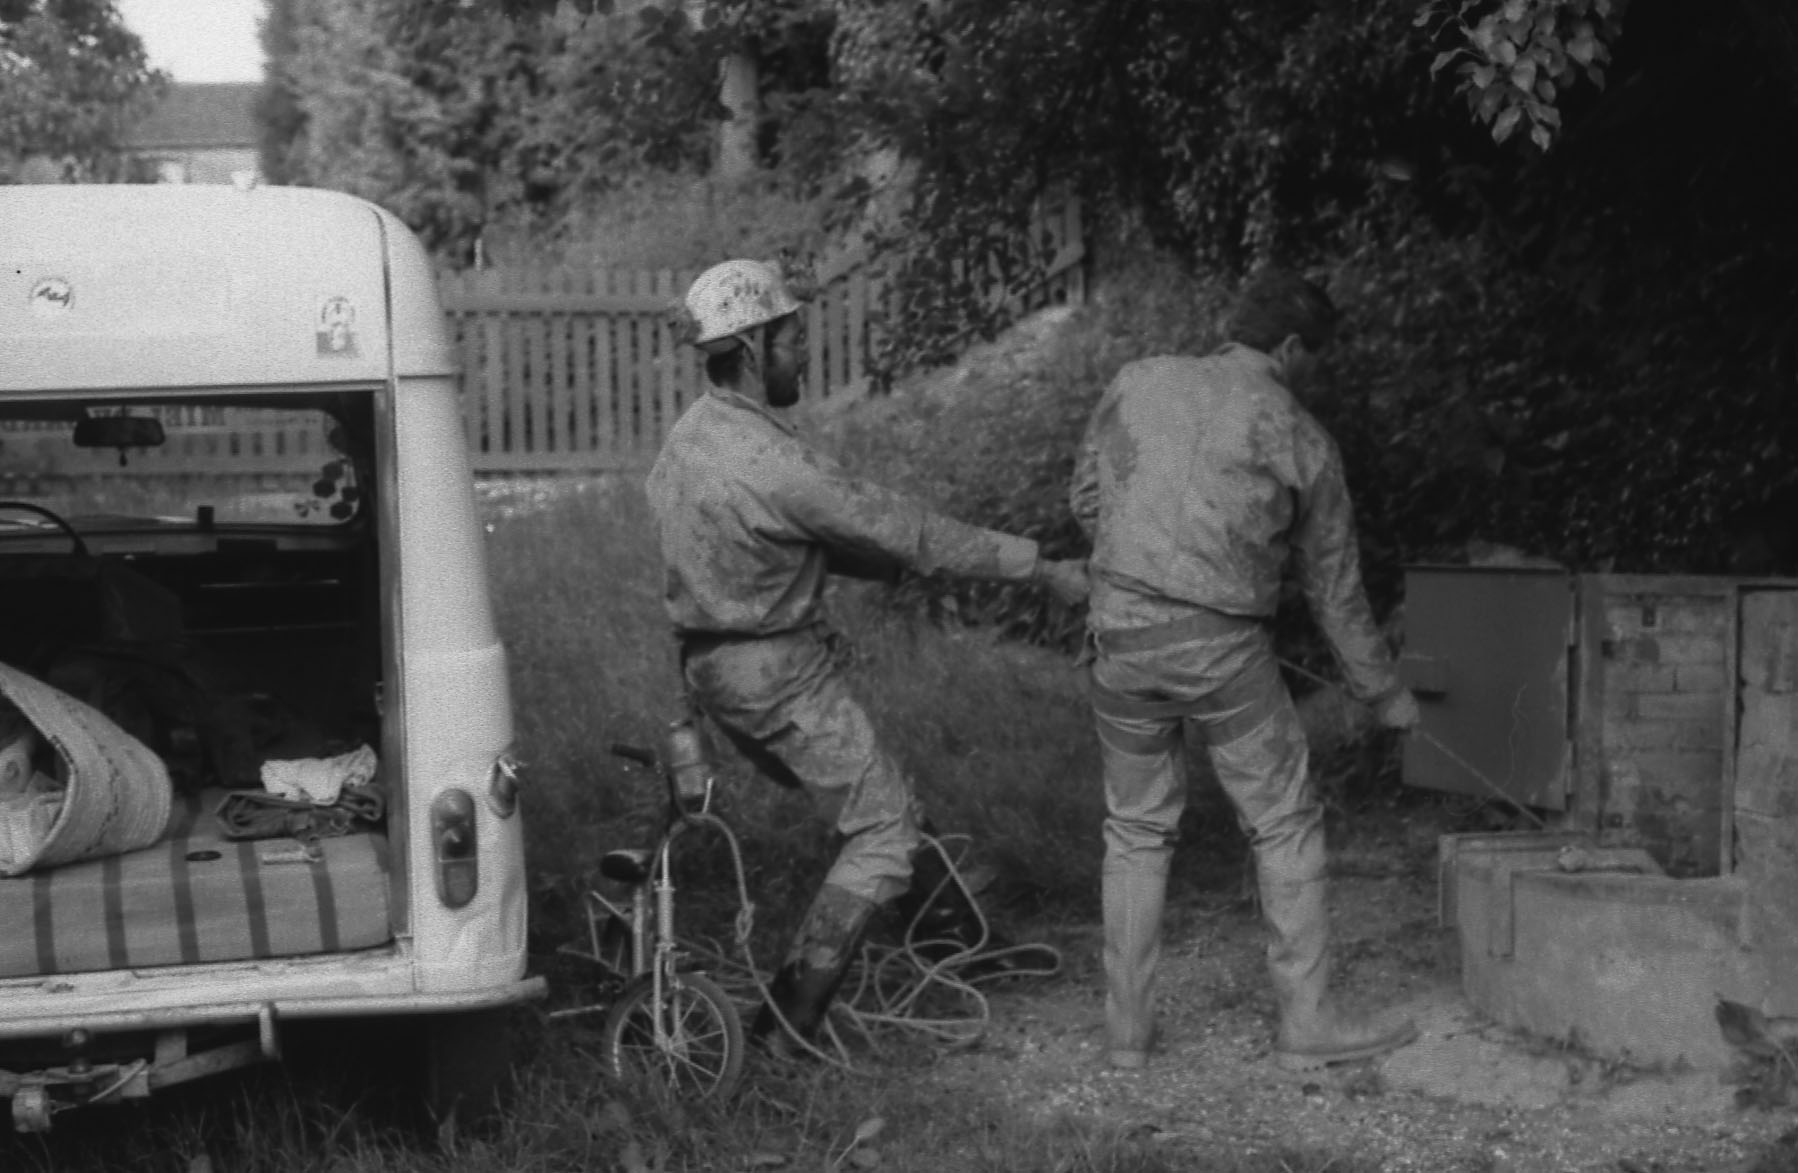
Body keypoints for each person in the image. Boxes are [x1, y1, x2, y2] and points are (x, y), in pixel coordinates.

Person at [646, 258, 1089, 1052]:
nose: (804, 354)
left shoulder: (689, 439)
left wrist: (876, 565)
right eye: (792, 339)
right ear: (750, 348)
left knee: (873, 787)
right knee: (882, 825)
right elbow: (908, 529)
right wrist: (1043, 569)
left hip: (713, 669)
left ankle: (958, 941)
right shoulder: (774, 462)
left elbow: (768, 543)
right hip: (775, 674)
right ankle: (785, 1026)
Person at [1068, 268, 1422, 1072]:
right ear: (1292, 347)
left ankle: (1127, 1035)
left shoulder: (1138, 380)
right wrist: (1384, 693)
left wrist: (1145, 565)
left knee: (1135, 829)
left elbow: (1089, 498)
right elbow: (1335, 592)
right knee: (1284, 819)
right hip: (1224, 659)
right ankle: (1308, 1022)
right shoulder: (1301, 435)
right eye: (1315, 357)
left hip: (1119, 645)